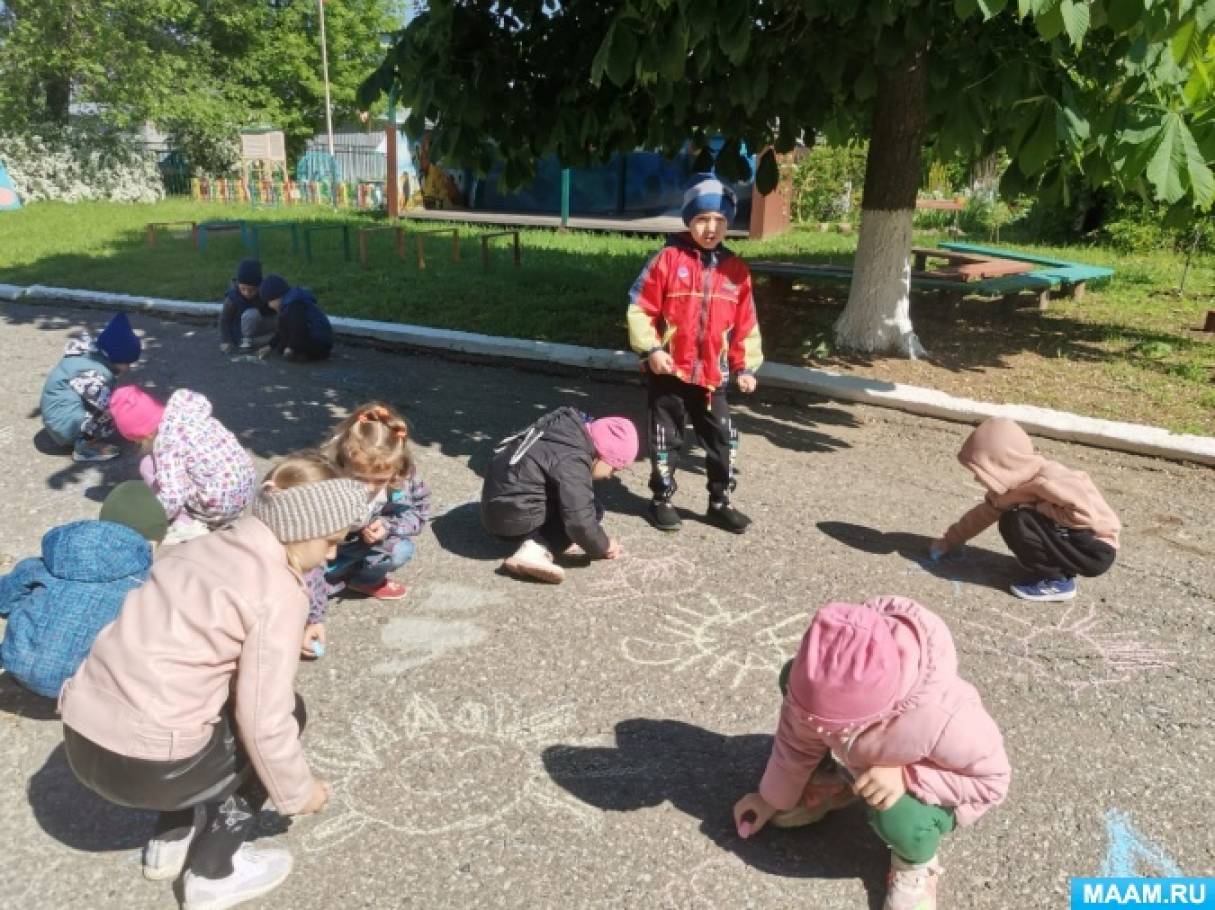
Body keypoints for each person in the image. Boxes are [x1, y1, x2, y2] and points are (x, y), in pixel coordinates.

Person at [59, 455, 366, 908]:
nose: (333, 554)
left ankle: (171, 838)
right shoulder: (278, 591)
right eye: (331, 541)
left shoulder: (196, 548)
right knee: (287, 713)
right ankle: (214, 872)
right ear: (303, 528)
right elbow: (265, 721)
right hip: (151, 768)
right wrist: (301, 792)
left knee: (190, 700)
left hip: (82, 740)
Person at [733, 597, 1011, 910]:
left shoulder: (945, 718)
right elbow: (796, 736)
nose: (824, 731)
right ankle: (829, 782)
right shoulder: (823, 677)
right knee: (793, 684)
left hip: (919, 782)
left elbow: (993, 781)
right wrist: (773, 797)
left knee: (897, 815)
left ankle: (914, 864)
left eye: (837, 727)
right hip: (866, 754)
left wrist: (906, 777)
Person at [627, 172, 763, 534]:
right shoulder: (667, 260)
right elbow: (640, 308)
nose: (711, 228)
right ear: (689, 219)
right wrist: (652, 348)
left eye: (720, 220)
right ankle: (662, 499)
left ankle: (720, 501)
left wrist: (745, 367)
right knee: (665, 439)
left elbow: (745, 325)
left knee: (724, 440)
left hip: (711, 378)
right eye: (703, 219)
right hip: (669, 372)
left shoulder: (736, 271)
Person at [0, 481, 166, 699]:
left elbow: (5, 597)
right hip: (80, 687)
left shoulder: (56, 557)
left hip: (15, 662)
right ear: (152, 542)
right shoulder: (142, 582)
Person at [930, 417, 1120, 602]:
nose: (977, 479)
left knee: (1021, 520)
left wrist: (1038, 507)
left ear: (1003, 464)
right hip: (1072, 542)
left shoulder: (1049, 480)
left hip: (1095, 548)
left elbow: (1085, 517)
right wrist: (949, 540)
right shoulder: (1009, 489)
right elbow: (982, 515)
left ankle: (1058, 582)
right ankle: (1047, 564)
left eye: (981, 472)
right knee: (1011, 519)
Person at [481, 407, 636, 584]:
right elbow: (580, 522)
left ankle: (551, 539)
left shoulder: (563, 431)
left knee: (574, 505)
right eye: (614, 467)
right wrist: (603, 546)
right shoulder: (573, 458)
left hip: (495, 505)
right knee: (592, 510)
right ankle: (534, 551)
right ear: (603, 454)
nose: (611, 475)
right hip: (511, 517)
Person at [109, 386, 257, 545]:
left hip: (218, 507)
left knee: (147, 465)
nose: (138, 445)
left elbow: (173, 496)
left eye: (138, 441)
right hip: (244, 490)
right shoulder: (188, 415)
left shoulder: (168, 443)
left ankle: (188, 524)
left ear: (147, 434)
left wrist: (150, 516)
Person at [318, 402, 431, 603]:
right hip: (330, 547)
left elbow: (419, 511)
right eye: (359, 478)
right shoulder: (325, 475)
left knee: (401, 550)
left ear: (397, 468)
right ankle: (331, 577)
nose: (369, 487)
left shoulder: (403, 476)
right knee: (304, 586)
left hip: (369, 545)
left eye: (379, 480)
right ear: (343, 462)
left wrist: (386, 525)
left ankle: (364, 580)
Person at [39, 311, 141, 462]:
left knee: (107, 403)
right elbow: (111, 405)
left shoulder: (89, 356)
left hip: (59, 414)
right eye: (127, 362)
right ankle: (83, 446)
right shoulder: (91, 374)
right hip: (64, 425)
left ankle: (81, 433)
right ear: (115, 357)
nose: (128, 368)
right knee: (108, 413)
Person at [256, 274, 334, 362]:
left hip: (320, 342)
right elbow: (282, 330)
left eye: (270, 301)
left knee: (286, 349)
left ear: (278, 296)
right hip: (312, 337)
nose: (269, 305)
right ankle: (300, 352)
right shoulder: (287, 306)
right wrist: (270, 346)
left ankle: (305, 354)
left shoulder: (294, 306)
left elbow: (299, 328)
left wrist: (291, 347)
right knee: (281, 347)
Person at [218, 258, 277, 354]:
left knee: (280, 319)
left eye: (252, 290)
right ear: (238, 284)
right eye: (243, 289)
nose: (247, 293)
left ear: (259, 286)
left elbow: (273, 311)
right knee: (251, 314)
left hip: (259, 324)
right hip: (240, 330)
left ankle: (278, 339)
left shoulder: (264, 292)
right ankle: (246, 342)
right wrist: (225, 341)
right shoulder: (232, 298)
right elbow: (224, 320)